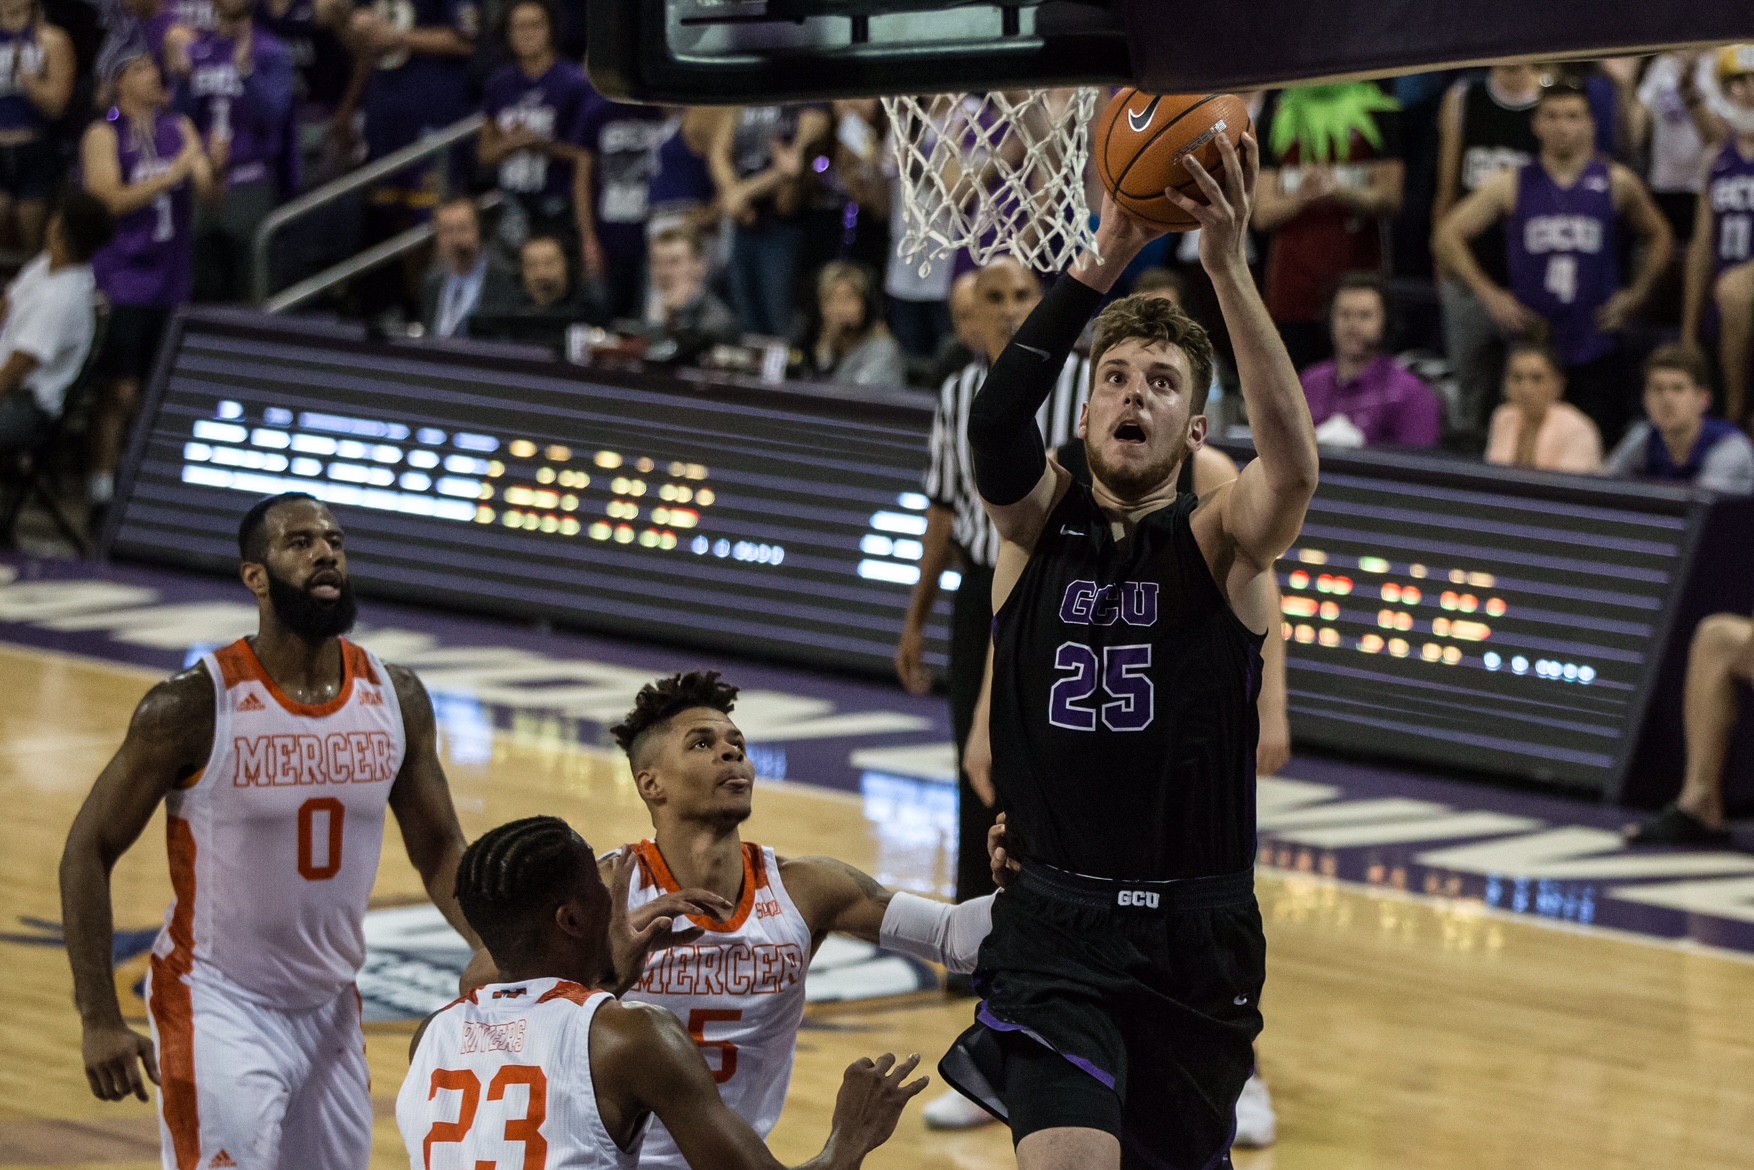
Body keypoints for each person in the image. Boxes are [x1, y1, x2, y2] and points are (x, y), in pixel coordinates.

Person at [932, 128, 1316, 1169]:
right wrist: (1098, 261)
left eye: (1159, 381)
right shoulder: (1032, 524)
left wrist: (1229, 272)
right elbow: (995, 421)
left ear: (1193, 430)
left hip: (1193, 933)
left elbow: (1291, 468)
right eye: (1113, 376)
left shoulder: (1216, 546)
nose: (1133, 393)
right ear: (1086, 405)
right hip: (1055, 925)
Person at [59, 492, 489, 1170]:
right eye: (300, 542)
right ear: (254, 576)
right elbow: (89, 850)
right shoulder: (194, 705)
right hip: (219, 1002)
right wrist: (98, 1017)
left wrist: (489, 944)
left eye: (334, 541)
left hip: (332, 1008)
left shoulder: (394, 695)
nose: (325, 553)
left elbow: (439, 848)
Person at [453, 671, 983, 1169]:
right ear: (651, 784)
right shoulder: (604, 892)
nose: (730, 751)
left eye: (737, 744)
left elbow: (955, 937)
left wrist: (1043, 877)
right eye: (702, 744)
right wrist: (599, 976)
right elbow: (477, 991)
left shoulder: (808, 889)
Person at [405, 815, 930, 1170]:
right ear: (572, 918)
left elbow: (538, 1041)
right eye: (600, 884)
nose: (616, 895)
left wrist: (606, 985)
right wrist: (848, 1138)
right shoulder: (633, 1036)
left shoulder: (431, 1037)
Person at [896, 258, 1085, 925]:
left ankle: (1052, 910)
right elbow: (942, 517)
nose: (1009, 309)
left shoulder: (1087, 384)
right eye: (994, 298)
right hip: (980, 592)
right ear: (971, 315)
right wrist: (916, 620)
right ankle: (976, 920)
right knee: (973, 764)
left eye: (1023, 296)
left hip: (1062, 594)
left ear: (1043, 303)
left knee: (1052, 757)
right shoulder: (954, 394)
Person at [1434, 78, 1674, 448]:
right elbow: (1448, 235)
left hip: (1594, 342)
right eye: (1553, 116)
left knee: (1593, 450)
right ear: (1536, 123)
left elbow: (1660, 235)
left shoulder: (1616, 181)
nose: (1563, 126)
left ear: (1591, 123)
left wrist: (1637, 294)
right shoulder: (1512, 183)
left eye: (1573, 116)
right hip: (1533, 344)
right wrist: (1491, 294)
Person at [82, 46, 220, 524]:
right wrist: (175, 173)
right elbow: (108, 201)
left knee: (157, 392)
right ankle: (100, 490)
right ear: (119, 81)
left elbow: (209, 196)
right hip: (123, 278)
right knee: (117, 392)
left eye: (152, 67)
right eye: (139, 68)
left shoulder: (179, 127)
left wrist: (214, 167)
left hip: (172, 279)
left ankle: (145, 489)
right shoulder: (104, 133)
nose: (152, 74)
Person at [1253, 81, 1404, 368]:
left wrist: (1338, 190)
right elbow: (1262, 214)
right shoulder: (1277, 111)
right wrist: (1304, 197)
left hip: (1360, 281)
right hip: (1293, 288)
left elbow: (1391, 198)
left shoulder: (1378, 110)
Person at [346, 0, 476, 317]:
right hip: (386, 114)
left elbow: (466, 40)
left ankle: (439, 311)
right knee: (397, 221)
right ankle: (414, 308)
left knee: (432, 222)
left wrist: (400, 37)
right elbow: (367, 49)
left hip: (433, 113)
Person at [1432, 63, 1542, 436]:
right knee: (1470, 398)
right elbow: (1447, 187)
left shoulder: (1551, 103)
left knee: (1527, 401)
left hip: (1527, 284)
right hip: (1469, 274)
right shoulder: (1464, 98)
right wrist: (1443, 266)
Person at [169, 0, 297, 302]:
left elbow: (277, 116)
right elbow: (180, 119)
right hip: (203, 182)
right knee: (202, 285)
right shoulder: (198, 50)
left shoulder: (271, 51)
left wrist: (246, 73)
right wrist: (184, 82)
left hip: (249, 180)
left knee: (250, 285)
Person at [0, 190, 112, 459]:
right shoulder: (45, 265)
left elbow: (15, 373)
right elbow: (5, 305)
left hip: (25, 408)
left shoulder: (63, 299)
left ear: (59, 228)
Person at [477, 0, 590, 255]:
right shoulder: (499, 83)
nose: (527, 33)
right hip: (513, 205)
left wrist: (541, 145)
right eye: (518, 27)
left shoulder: (574, 83)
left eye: (535, 25)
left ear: (551, 29)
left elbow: (585, 153)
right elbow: (484, 153)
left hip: (558, 206)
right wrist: (511, 143)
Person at [711, 103, 831, 337]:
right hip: (743, 221)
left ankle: (784, 371)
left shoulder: (807, 99)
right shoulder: (746, 91)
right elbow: (718, 151)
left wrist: (741, 193)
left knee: (780, 320)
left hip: (784, 223)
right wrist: (733, 194)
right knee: (746, 318)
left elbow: (792, 166)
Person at [1683, 46, 1754, 425]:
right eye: (1739, 82)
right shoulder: (1717, 157)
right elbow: (1701, 247)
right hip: (1725, 312)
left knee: (1734, 290)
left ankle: (1737, 414)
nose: (1749, 90)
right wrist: (1688, 329)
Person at [1298, 271, 1442, 448]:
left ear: (1386, 323)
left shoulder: (1411, 395)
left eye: (1365, 316)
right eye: (1344, 314)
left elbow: (1419, 467)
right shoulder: (1309, 383)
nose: (1352, 326)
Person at [574, 76, 667, 324]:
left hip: (656, 232)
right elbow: (582, 180)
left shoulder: (663, 111)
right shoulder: (598, 112)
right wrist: (588, 237)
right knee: (611, 317)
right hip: (611, 234)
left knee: (652, 316)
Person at [1604, 343, 1754, 492]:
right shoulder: (1643, 436)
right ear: (1645, 398)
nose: (1666, 399)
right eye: (1658, 389)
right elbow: (1605, 485)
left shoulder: (1729, 446)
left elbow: (1700, 508)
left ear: (1703, 399)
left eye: (1678, 389)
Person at [0, 0, 74, 256]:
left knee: (32, 243)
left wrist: (27, 78)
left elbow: (57, 107)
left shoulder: (51, 40)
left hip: (34, 150)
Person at [1483, 341, 1602, 472]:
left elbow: (1569, 488)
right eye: (1517, 378)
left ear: (1558, 384)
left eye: (1537, 379)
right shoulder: (1503, 417)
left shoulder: (1578, 429)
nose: (1525, 389)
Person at [419, 194, 516, 339]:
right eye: (447, 231)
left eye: (463, 229)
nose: (456, 240)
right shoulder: (432, 283)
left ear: (479, 230)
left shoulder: (505, 279)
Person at [643, 224, 738, 364]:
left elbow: (667, 358)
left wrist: (665, 322)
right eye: (657, 262)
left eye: (674, 262)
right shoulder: (656, 310)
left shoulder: (716, 320)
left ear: (700, 265)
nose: (663, 272)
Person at [805, 260, 906, 389]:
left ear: (867, 304)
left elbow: (855, 397)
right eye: (830, 299)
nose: (839, 308)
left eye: (847, 299)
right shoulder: (825, 344)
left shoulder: (883, 348)